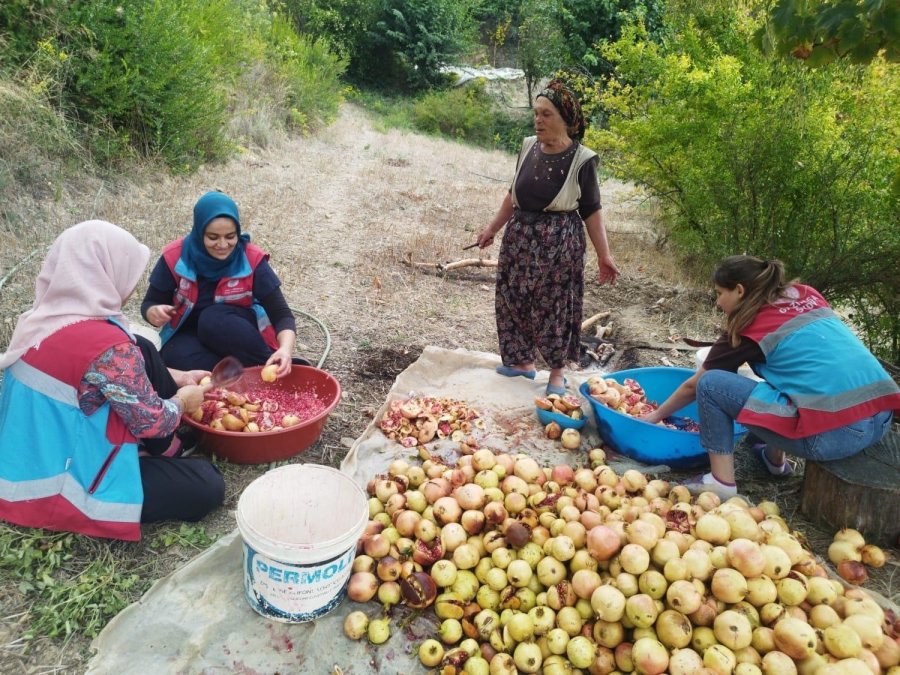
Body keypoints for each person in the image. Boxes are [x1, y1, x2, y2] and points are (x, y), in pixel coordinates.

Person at [0, 221, 225, 541]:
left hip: (29, 456)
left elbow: (113, 373)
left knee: (143, 346)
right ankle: (162, 454)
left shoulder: (46, 317)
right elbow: (154, 423)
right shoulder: (107, 348)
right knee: (207, 484)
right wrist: (184, 401)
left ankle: (164, 452)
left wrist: (181, 376)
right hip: (57, 484)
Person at [642, 255, 899, 498]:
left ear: (740, 291)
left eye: (720, 293)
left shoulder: (747, 324)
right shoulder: (806, 294)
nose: (718, 303)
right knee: (787, 375)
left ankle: (721, 483)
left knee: (711, 384)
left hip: (834, 436)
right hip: (880, 419)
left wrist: (655, 415)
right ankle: (774, 461)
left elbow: (694, 386)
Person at [477, 79, 619, 396]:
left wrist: (604, 255)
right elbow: (512, 194)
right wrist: (492, 229)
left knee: (556, 308)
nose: (538, 120)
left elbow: (592, 210)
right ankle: (521, 362)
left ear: (565, 119)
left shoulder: (583, 160)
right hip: (520, 240)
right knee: (512, 300)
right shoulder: (528, 146)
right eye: (536, 113)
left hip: (560, 245)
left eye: (546, 114)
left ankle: (557, 373)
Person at [141, 191, 299, 375]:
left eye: (230, 236)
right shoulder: (175, 257)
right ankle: (239, 378)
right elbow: (149, 303)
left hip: (237, 332)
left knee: (212, 319)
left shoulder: (251, 258)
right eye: (213, 238)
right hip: (191, 333)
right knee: (172, 357)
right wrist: (153, 313)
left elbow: (282, 315)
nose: (223, 245)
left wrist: (285, 350)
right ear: (199, 232)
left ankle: (269, 365)